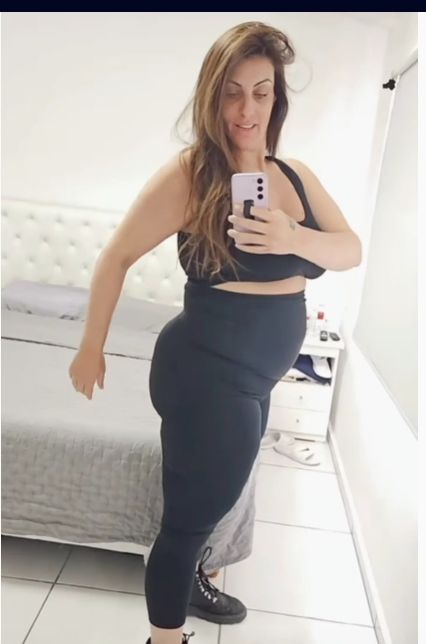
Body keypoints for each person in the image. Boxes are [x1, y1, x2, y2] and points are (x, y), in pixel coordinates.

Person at [68, 20, 362, 644]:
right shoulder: (190, 174)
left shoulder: (295, 177)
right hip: (205, 373)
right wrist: (91, 345)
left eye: (261, 92)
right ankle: (164, 636)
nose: (247, 109)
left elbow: (349, 249)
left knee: (212, 501)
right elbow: (116, 256)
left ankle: (192, 580)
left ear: (276, 99)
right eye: (232, 93)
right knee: (186, 520)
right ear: (212, 97)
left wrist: (292, 236)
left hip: (257, 380)